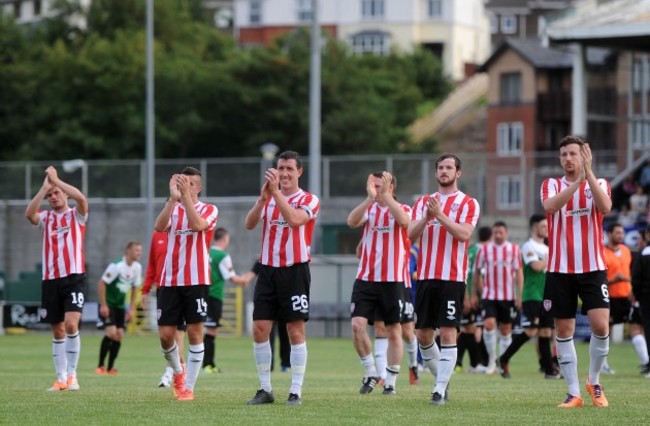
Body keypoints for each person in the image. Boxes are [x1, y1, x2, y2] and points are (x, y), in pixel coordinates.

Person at [244, 150, 320, 406]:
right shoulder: (269, 197)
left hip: (295, 271)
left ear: (299, 172)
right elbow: (249, 224)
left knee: (295, 329)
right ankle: (265, 389)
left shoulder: (309, 199)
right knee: (260, 328)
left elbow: (296, 220)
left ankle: (295, 391)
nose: (284, 173)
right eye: (280, 168)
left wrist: (276, 193)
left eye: (289, 169)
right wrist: (262, 199)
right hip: (267, 271)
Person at [541, 135, 612, 408]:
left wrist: (588, 176)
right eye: (564, 155)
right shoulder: (550, 185)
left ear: (584, 156)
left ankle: (594, 382)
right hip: (560, 269)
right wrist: (577, 183)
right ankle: (573, 393)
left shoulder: (600, 183)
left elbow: (605, 207)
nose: (568, 159)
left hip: (593, 267)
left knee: (601, 325)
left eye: (573, 154)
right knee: (564, 328)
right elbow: (550, 207)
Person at [408, 153, 480, 405]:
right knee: (423, 335)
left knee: (449, 332)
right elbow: (410, 233)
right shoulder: (423, 203)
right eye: (440, 167)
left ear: (458, 173)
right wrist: (427, 217)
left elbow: (463, 234)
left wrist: (439, 216)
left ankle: (438, 390)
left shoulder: (468, 203)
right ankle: (443, 381)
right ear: (436, 172)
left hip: (453, 278)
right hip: (426, 277)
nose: (444, 171)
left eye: (449, 167)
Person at [154, 166, 218, 401]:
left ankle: (188, 387)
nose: (185, 187)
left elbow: (198, 225)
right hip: (169, 280)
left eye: (190, 184)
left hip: (197, 280)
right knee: (165, 335)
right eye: (183, 183)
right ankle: (178, 373)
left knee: (194, 332)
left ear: (198, 187)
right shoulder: (173, 208)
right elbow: (159, 227)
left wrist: (185, 199)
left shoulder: (209, 209)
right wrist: (172, 200)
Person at [25, 166, 89, 391]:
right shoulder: (46, 218)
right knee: (58, 329)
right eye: (50, 195)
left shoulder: (76, 215)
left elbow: (81, 198)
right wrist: (44, 188)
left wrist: (56, 181)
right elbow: (29, 214)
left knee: (71, 324)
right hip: (50, 280)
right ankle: (61, 378)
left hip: (74, 277)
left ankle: (73, 375)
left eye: (56, 193)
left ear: (65, 194)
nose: (53, 197)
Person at [347, 171, 411, 395]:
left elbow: (404, 222)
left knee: (394, 331)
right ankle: (371, 371)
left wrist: (387, 197)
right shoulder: (369, 209)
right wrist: (368, 198)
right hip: (365, 279)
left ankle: (391, 380)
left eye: (380, 185)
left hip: (392, 281)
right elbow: (352, 221)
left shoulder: (403, 209)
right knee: (357, 326)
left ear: (391, 186)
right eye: (373, 186)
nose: (376, 190)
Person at [497, 215, 560, 379]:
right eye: (543, 226)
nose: (546, 229)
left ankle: (549, 370)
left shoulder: (547, 249)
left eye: (547, 226)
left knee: (546, 332)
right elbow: (536, 266)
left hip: (545, 295)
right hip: (531, 294)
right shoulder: (527, 246)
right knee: (531, 331)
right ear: (534, 227)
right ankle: (503, 359)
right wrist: (552, 257)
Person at [203, 228, 255, 373]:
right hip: (214, 295)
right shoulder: (222, 256)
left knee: (200, 329)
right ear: (225, 239)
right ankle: (208, 365)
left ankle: (203, 364)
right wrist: (244, 280)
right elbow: (231, 277)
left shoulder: (206, 251)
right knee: (211, 330)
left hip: (201, 293)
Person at [474, 221, 523, 375]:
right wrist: (479, 292)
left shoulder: (514, 250)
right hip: (489, 295)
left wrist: (520, 294)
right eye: (495, 232)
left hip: (508, 296)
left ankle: (503, 362)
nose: (498, 235)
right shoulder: (484, 250)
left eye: (501, 232)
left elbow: (519, 273)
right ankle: (491, 361)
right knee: (488, 324)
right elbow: (477, 273)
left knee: (506, 329)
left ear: (506, 233)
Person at [141, 230, 187, 388]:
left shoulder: (185, 230)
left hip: (183, 287)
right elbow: (152, 265)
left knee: (179, 333)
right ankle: (177, 370)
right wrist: (146, 289)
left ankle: (173, 373)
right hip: (163, 289)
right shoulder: (157, 235)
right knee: (166, 336)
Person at [603, 223, 648, 373]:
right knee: (604, 331)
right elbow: (598, 278)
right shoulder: (602, 252)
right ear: (609, 234)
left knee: (636, 328)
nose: (621, 236)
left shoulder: (626, 250)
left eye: (622, 233)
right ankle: (603, 365)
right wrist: (613, 279)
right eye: (617, 233)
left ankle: (646, 362)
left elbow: (633, 274)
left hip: (627, 296)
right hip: (609, 296)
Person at [95, 241, 143, 375]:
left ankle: (110, 368)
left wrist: (132, 308)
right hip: (108, 304)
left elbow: (135, 288)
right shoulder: (116, 266)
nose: (139, 253)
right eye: (136, 250)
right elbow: (101, 284)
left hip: (120, 306)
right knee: (111, 332)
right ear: (128, 251)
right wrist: (103, 305)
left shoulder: (137, 267)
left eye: (140, 250)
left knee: (119, 335)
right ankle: (100, 366)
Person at [457, 226, 492, 373]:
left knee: (470, 328)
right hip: (476, 296)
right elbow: (477, 276)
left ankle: (474, 363)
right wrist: (475, 295)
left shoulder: (470, 250)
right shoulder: (484, 251)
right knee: (473, 329)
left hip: (467, 293)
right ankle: (474, 363)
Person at [632, 225, 650, 377]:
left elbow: (636, 279)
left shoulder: (643, 254)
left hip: (646, 298)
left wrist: (636, 297)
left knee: (647, 330)